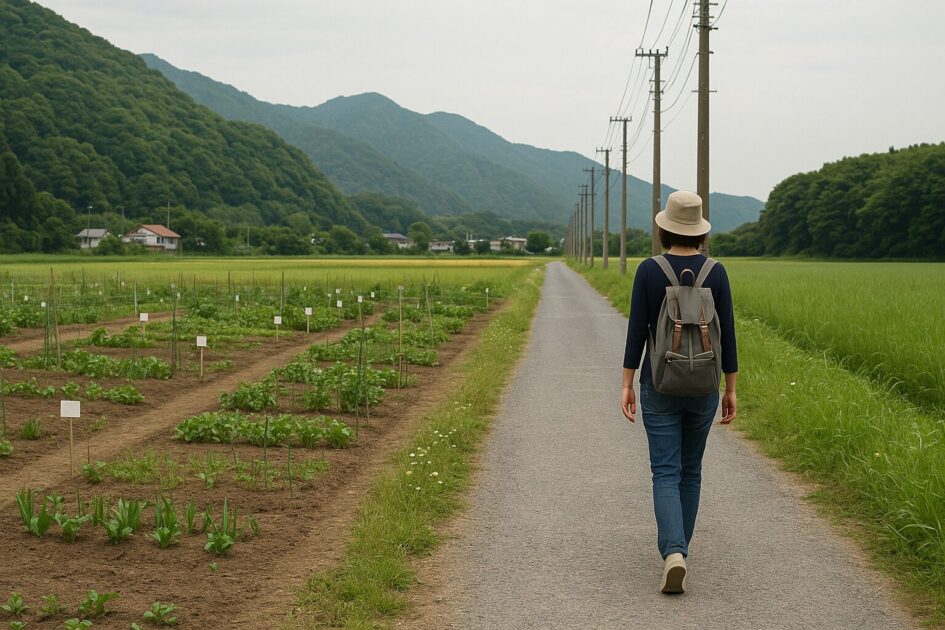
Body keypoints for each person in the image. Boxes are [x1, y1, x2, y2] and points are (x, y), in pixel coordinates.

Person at [620, 190, 738, 594]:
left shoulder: (649, 271)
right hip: (705, 384)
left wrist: (626, 383)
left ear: (664, 227)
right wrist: (731, 388)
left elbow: (637, 330)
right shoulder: (717, 272)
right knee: (692, 469)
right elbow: (729, 337)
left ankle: (674, 553)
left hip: (660, 382)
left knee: (665, 471)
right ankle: (680, 549)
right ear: (700, 231)